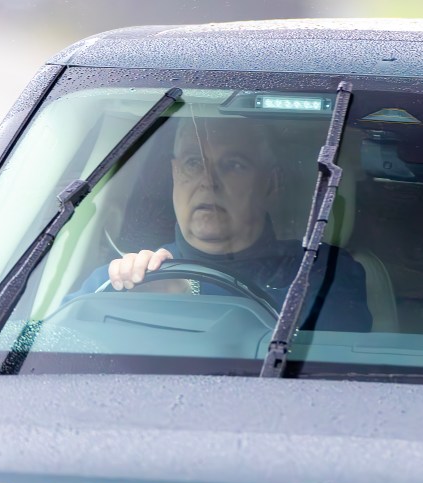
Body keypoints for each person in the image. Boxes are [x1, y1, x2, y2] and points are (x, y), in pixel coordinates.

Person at [70, 117, 373, 332]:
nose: (208, 182)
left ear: (271, 183)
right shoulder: (125, 280)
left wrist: (188, 300)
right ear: (175, 173)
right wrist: (131, 306)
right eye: (193, 163)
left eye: (233, 165)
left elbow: (328, 367)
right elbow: (42, 342)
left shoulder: (324, 272)